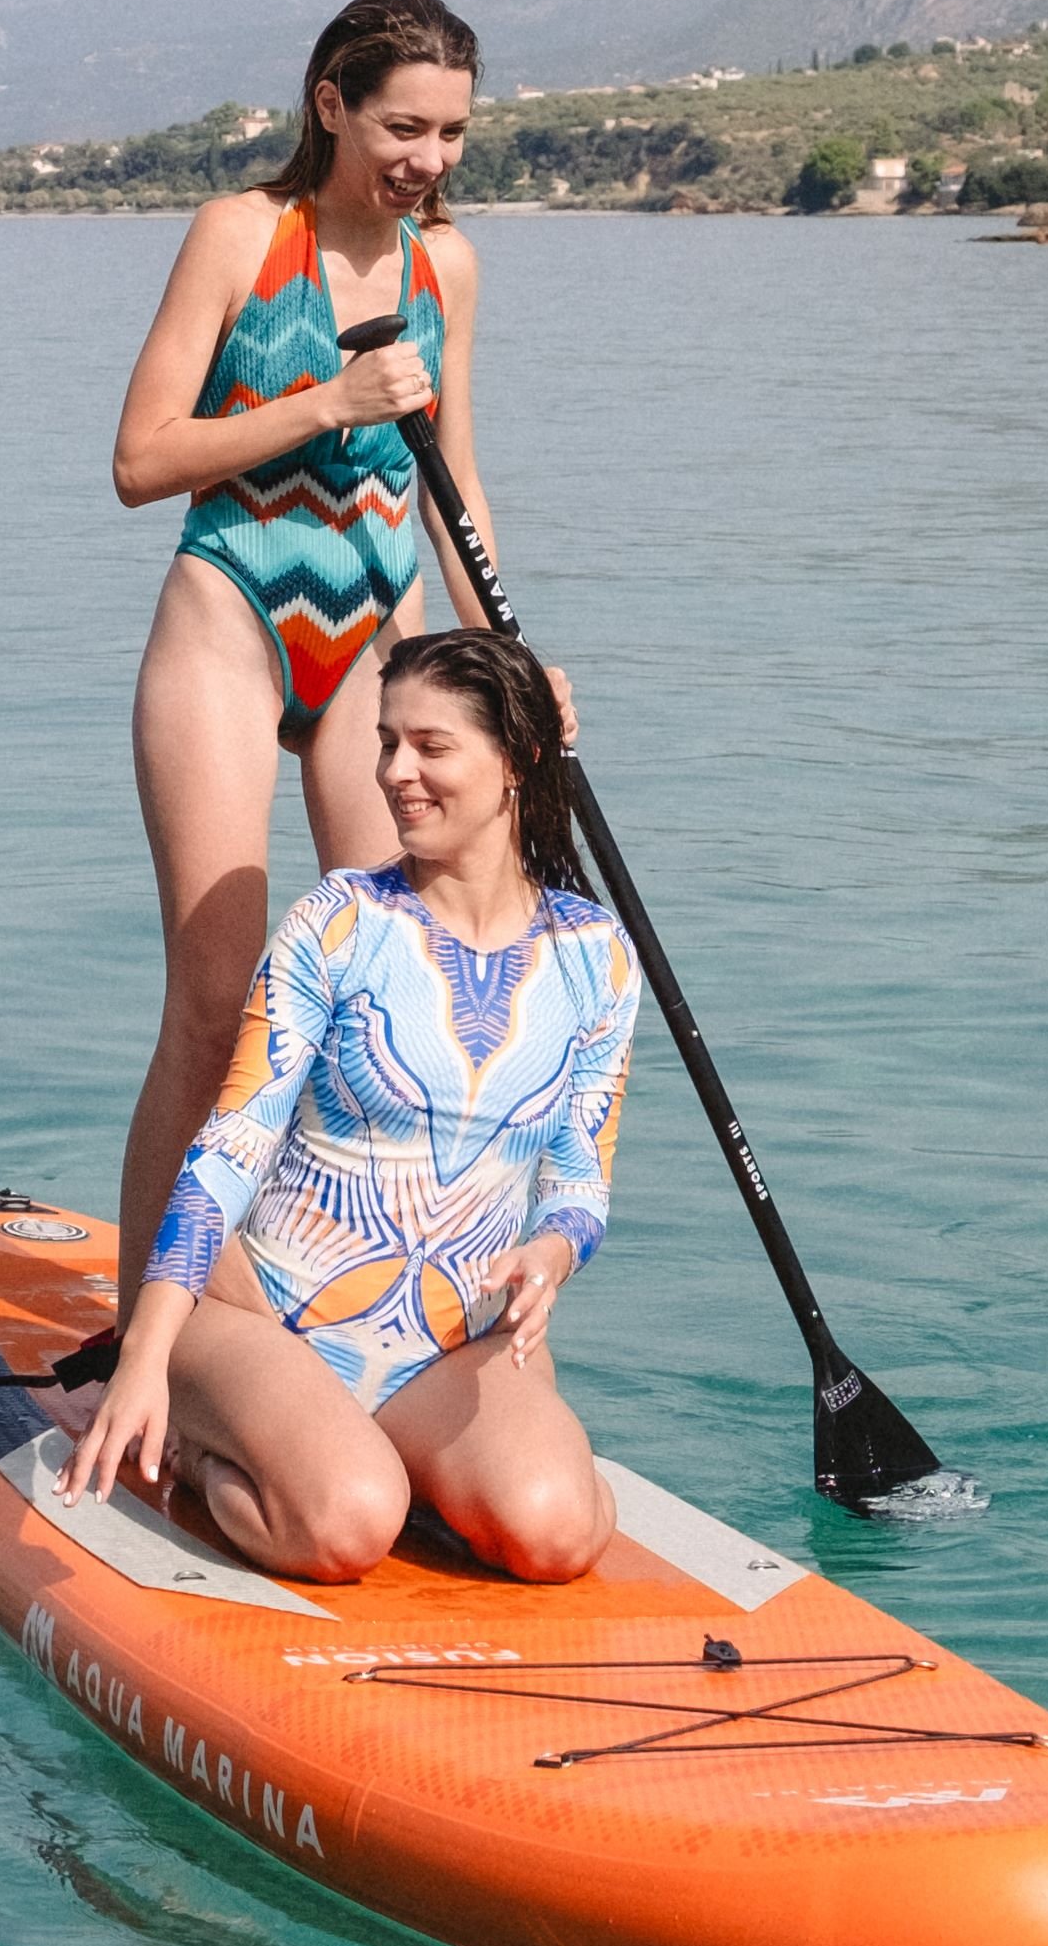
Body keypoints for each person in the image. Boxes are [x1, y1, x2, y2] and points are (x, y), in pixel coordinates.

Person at [100, 0, 547, 1299]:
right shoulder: (242, 235)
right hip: (234, 613)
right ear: (331, 103)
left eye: (454, 133)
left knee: (386, 997)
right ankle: (146, 1322)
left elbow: (455, 487)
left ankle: (339, 1291)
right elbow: (140, 459)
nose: (431, 159)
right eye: (406, 126)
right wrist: (327, 402)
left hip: (377, 642)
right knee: (219, 986)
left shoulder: (444, 265)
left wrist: (512, 674)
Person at [68, 629, 636, 1584]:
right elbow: (227, 1152)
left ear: (516, 762)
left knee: (556, 1535)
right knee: (344, 1526)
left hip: (446, 1342)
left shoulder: (594, 957)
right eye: (384, 741)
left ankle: (419, 1455)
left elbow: (579, 1181)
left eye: (430, 746)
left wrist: (551, 1252)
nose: (393, 773)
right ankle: (217, 1452)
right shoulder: (337, 922)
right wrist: (145, 1351)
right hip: (272, 1321)